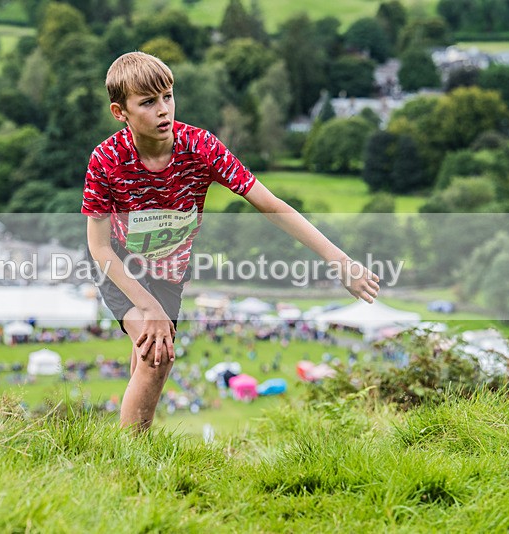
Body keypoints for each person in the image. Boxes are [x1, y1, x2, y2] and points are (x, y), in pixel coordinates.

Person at [82, 52, 380, 431]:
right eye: (148, 102)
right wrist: (149, 305)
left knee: (147, 358)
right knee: (157, 353)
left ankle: (131, 440)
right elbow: (100, 247)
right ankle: (128, 459)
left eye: (168, 97)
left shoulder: (200, 147)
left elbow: (271, 205)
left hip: (170, 270)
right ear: (119, 111)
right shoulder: (106, 160)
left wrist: (340, 260)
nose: (163, 110)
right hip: (121, 266)